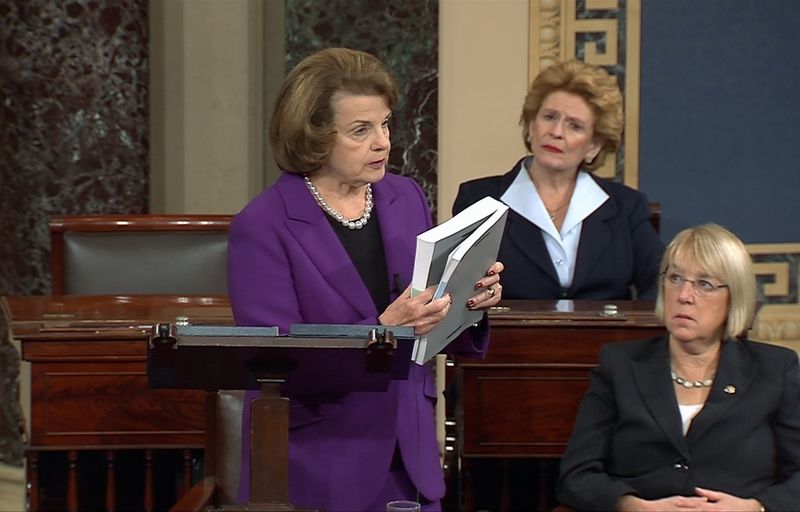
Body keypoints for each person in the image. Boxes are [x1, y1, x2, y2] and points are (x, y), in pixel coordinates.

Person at [227, 47, 503, 512]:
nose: (383, 142)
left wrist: (469, 302)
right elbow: (274, 363)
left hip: (409, 458)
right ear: (314, 135)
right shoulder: (263, 225)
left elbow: (427, 329)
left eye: (386, 124)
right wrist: (380, 330)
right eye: (361, 130)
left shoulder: (405, 196)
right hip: (321, 465)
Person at [557, 223, 800, 511]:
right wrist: (633, 506)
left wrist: (756, 507)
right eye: (674, 278)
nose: (684, 295)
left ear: (734, 297)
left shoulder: (775, 368)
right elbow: (576, 476)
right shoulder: (620, 365)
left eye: (704, 284)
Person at [453, 59, 664, 300]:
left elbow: (660, 284)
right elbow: (460, 291)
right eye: (550, 117)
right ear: (531, 125)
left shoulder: (626, 206)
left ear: (594, 145)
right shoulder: (478, 199)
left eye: (574, 125)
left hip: (609, 338)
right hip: (507, 337)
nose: (556, 132)